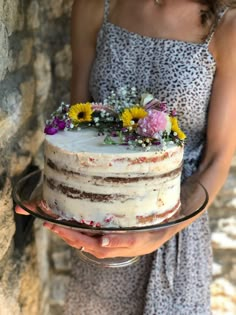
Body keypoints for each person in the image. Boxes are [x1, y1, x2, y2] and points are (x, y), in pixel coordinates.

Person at [16, 0, 236, 314]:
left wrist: (163, 228)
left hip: (175, 234)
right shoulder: (94, 7)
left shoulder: (227, 27)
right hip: (102, 229)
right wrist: (63, 201)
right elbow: (77, 132)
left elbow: (216, 158)